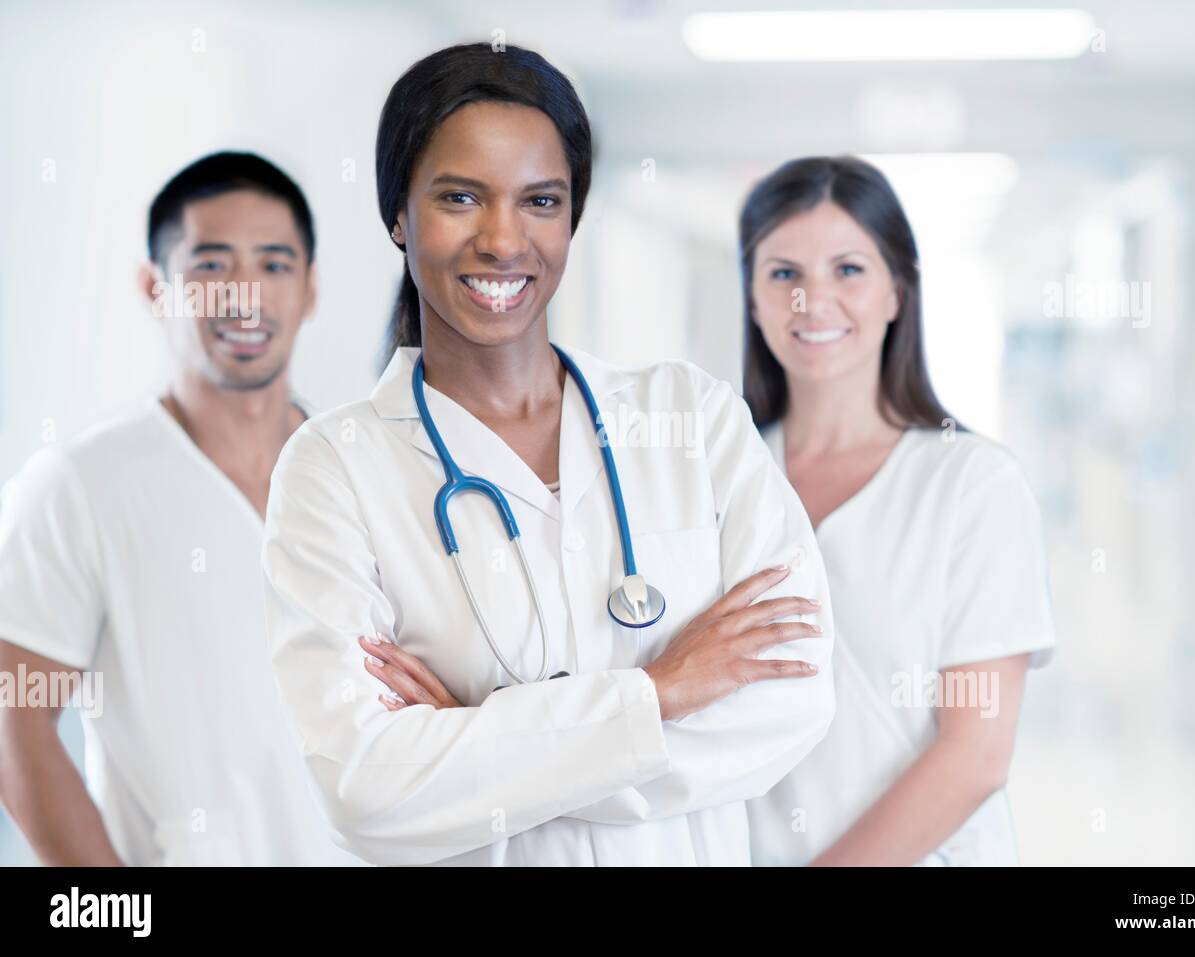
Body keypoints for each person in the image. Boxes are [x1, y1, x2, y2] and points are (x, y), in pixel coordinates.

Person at [260, 43, 835, 867]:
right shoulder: (333, 467)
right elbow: (363, 788)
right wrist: (660, 692)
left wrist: (476, 737)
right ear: (398, 215)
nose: (503, 239)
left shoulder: (693, 418)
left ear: (572, 216)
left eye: (540, 200)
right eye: (460, 197)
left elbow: (793, 695)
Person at [0, 152, 363, 866]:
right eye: (210, 266)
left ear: (311, 290)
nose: (244, 297)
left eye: (274, 264)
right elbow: (15, 719)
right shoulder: (80, 484)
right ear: (153, 286)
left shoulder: (359, 473)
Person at [740, 156, 1056, 866]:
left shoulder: (973, 485)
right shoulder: (718, 480)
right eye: (784, 273)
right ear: (754, 299)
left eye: (848, 269)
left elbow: (975, 755)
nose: (812, 301)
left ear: (896, 292)